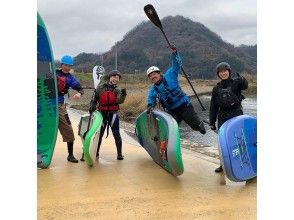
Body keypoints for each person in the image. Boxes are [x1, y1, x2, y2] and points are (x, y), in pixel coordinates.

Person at [146, 45, 206, 135]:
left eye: (154, 74)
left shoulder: (170, 75)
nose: (153, 77)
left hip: (185, 106)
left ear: (159, 73)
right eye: (150, 76)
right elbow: (151, 99)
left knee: (197, 127)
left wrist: (175, 53)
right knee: (170, 131)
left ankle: (199, 124)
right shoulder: (153, 89)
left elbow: (176, 65)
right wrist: (150, 106)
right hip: (172, 111)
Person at [209, 62, 248, 173]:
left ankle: (244, 162)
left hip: (236, 114)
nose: (223, 73)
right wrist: (212, 121)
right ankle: (223, 164)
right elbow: (213, 106)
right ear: (218, 74)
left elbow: (245, 86)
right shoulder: (216, 89)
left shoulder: (236, 83)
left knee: (240, 140)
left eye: (225, 71)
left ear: (229, 71)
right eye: (221, 72)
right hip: (223, 116)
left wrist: (243, 80)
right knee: (222, 142)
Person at [89, 70, 127, 160]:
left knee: (116, 133)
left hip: (113, 113)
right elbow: (94, 98)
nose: (115, 79)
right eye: (114, 77)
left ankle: (119, 154)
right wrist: (92, 106)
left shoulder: (118, 89)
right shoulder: (100, 87)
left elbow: (119, 101)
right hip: (102, 113)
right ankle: (96, 152)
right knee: (99, 134)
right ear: (110, 77)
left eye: (117, 78)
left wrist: (123, 95)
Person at [57, 55, 84, 163]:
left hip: (60, 106)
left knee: (69, 129)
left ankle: (70, 155)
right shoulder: (53, 73)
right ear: (61, 64)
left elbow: (81, 89)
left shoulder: (70, 78)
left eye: (69, 65)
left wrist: (79, 94)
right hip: (46, 105)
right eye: (65, 65)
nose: (67, 67)